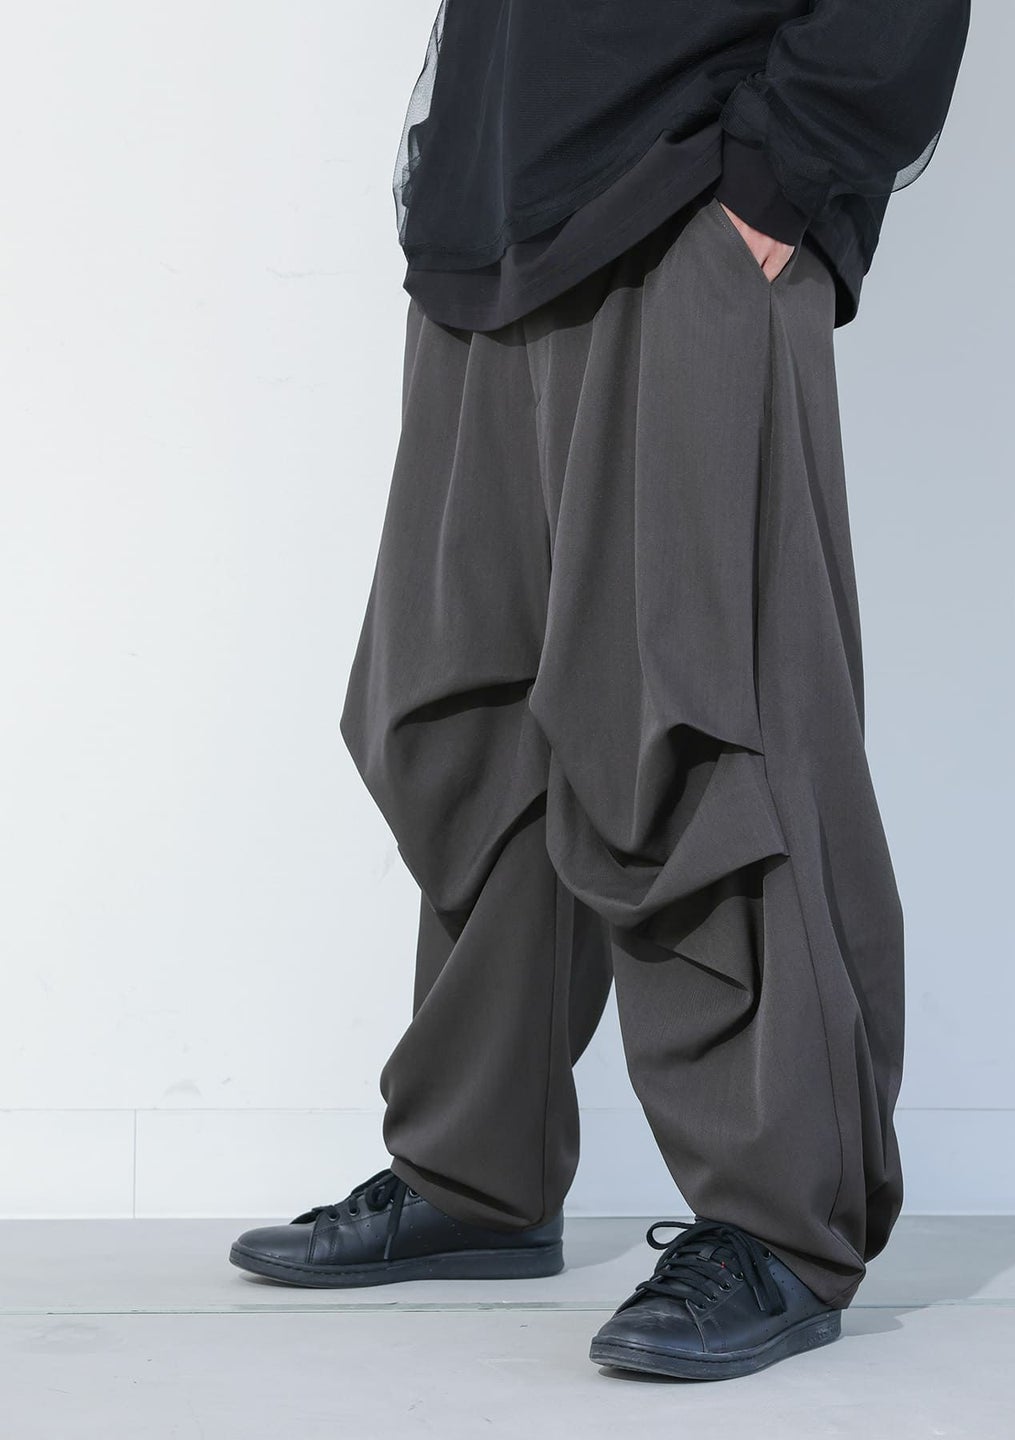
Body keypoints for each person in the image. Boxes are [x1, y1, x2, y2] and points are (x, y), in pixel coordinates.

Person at [229, 0, 972, 1381]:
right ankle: (477, 1168)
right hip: (496, 204)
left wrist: (783, 173)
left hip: (688, 186)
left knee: (700, 711)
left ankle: (779, 1222)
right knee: (469, 717)